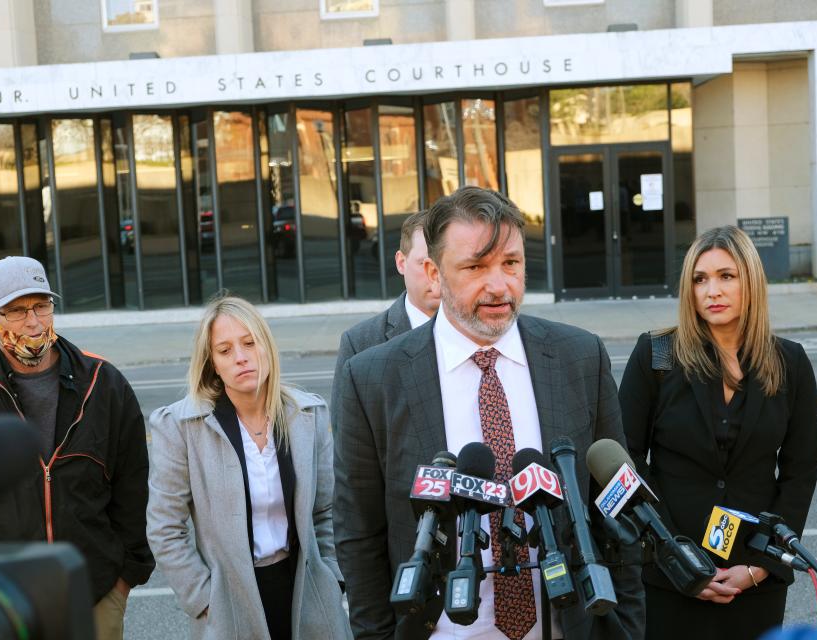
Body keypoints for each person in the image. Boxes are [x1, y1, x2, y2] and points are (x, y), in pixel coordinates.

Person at [333, 186, 644, 640]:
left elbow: (616, 510)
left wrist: (626, 630)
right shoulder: (373, 377)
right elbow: (358, 534)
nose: (499, 285)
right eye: (476, 266)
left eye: (511, 263)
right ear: (435, 275)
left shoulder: (581, 357)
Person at [0, 255, 154, 640]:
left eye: (42, 305)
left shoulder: (104, 383)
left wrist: (124, 579)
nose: (34, 322)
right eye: (17, 310)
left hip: (92, 597)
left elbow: (132, 486)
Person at [618, 225, 817, 640]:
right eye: (700, 278)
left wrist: (762, 565)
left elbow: (801, 468)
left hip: (754, 578)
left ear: (750, 281)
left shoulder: (790, 362)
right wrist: (672, 556)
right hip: (668, 575)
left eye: (726, 276)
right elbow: (626, 461)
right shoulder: (656, 355)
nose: (712, 290)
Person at [147, 296, 352, 640]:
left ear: (266, 346)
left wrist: (332, 578)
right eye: (225, 350)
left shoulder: (308, 415)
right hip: (230, 601)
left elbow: (328, 511)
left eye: (249, 343)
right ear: (212, 362)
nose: (241, 357)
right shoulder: (182, 426)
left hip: (306, 593)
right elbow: (165, 527)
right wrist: (204, 599)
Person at [330, 209, 440, 415]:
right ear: (401, 263)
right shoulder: (360, 343)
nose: (436, 276)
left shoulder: (480, 332)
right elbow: (347, 438)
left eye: (445, 264)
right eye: (425, 263)